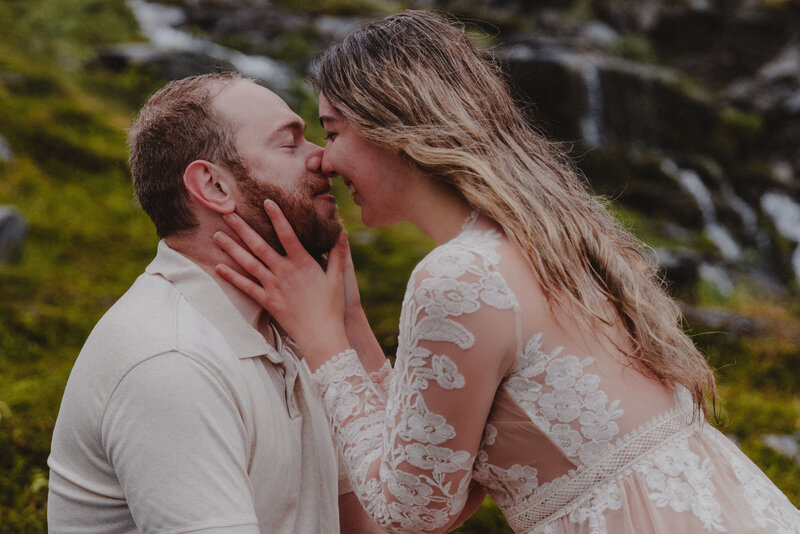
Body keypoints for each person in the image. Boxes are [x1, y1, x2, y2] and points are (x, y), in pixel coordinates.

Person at [214, 9, 800, 534]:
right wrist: (350, 321)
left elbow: (413, 511)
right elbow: (436, 470)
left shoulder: (457, 276)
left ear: (393, 127)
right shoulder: (548, 234)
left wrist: (323, 344)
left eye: (334, 131)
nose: (324, 159)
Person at [47, 72, 383, 533]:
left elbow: (379, 521)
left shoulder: (293, 325)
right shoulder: (171, 359)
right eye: (289, 144)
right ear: (213, 186)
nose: (324, 159)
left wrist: (347, 321)